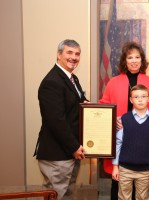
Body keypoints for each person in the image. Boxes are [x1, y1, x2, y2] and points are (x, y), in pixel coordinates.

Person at [98, 41, 149, 200]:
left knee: (140, 190)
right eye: (130, 57)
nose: (134, 60)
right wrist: (113, 121)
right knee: (118, 187)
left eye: (137, 57)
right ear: (125, 61)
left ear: (142, 59)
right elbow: (104, 107)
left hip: (142, 142)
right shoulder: (114, 82)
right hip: (120, 140)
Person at [34, 39, 89, 200]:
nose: (74, 57)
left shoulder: (72, 78)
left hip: (70, 152)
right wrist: (74, 146)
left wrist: (87, 105)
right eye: (69, 53)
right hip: (57, 155)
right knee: (56, 195)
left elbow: (77, 102)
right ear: (59, 55)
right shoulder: (52, 82)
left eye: (77, 54)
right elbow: (56, 120)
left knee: (67, 195)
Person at [112, 84, 149, 200]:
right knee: (124, 197)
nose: (140, 100)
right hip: (125, 169)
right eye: (136, 97)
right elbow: (118, 143)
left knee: (142, 197)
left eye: (143, 96)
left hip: (144, 170)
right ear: (131, 100)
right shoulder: (124, 119)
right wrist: (115, 166)